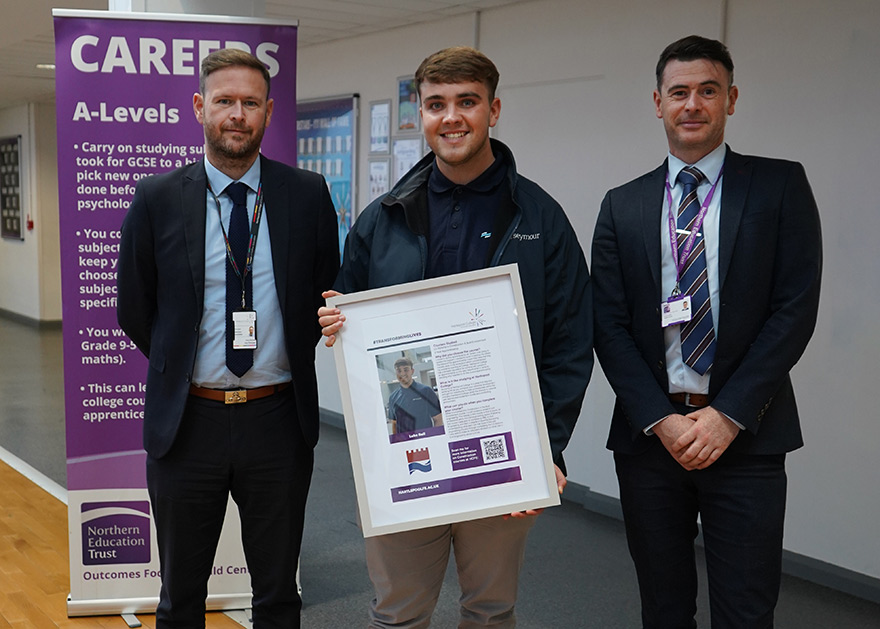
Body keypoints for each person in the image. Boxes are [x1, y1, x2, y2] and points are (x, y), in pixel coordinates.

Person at [319, 46, 592, 628]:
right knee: (398, 613)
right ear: (419, 113)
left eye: (466, 102)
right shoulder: (382, 217)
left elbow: (570, 344)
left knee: (490, 613)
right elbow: (349, 313)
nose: (451, 117)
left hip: (502, 456)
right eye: (436, 104)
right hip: (407, 458)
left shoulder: (540, 219)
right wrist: (338, 321)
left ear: (493, 110)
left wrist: (547, 450)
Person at [591, 35, 822, 628]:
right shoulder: (623, 204)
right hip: (652, 441)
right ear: (658, 102)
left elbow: (793, 310)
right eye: (679, 92)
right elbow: (608, 324)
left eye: (707, 91)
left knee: (746, 611)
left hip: (748, 436)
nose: (692, 104)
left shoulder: (779, 186)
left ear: (731, 99)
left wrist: (727, 415)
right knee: (663, 610)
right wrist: (663, 421)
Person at [117, 48, 338, 628]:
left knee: (278, 597)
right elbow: (136, 310)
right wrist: (183, 364)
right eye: (224, 102)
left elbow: (321, 294)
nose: (236, 114)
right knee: (180, 598)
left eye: (249, 103)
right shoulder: (157, 198)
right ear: (200, 108)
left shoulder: (307, 195)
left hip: (277, 422)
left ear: (268, 112)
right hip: (188, 423)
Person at [387, 357, 443, 433]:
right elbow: (394, 423)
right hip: (405, 442)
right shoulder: (393, 397)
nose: (402, 373)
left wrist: (432, 439)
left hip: (425, 440)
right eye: (399, 370)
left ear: (412, 371)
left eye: (406, 369)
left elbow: (438, 419)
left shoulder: (426, 391)